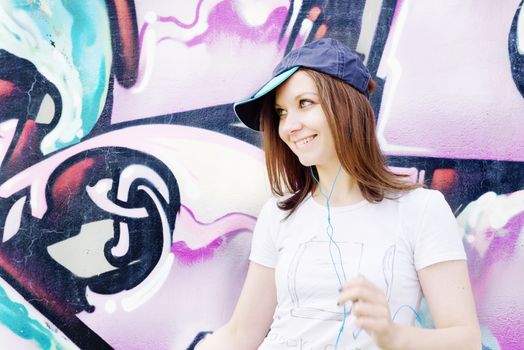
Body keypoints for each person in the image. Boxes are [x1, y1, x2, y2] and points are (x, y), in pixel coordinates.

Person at [196, 38, 481, 350]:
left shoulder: (420, 209)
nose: (290, 125)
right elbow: (240, 334)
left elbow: (465, 340)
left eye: (305, 103)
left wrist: (393, 336)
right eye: (280, 112)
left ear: (347, 108)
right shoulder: (278, 215)